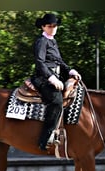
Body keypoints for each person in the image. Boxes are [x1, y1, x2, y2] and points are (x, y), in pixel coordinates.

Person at [31, 13, 81, 151]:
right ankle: (45, 138)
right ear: (43, 27)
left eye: (55, 26)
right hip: (43, 78)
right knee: (56, 100)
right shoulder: (41, 41)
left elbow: (59, 62)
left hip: (55, 76)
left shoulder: (52, 41)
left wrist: (70, 70)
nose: (52, 28)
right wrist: (51, 78)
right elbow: (40, 62)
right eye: (49, 26)